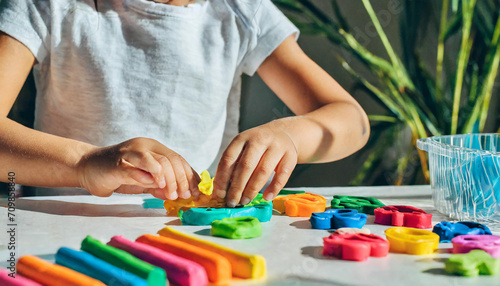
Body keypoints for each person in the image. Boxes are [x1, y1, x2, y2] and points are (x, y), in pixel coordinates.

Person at [0, 0, 369, 207]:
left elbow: (353, 120)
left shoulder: (241, 11)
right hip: (62, 233)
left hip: (189, 237)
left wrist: (289, 134)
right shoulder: (51, 6)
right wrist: (84, 164)